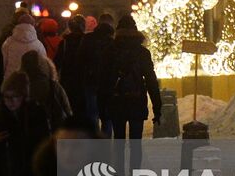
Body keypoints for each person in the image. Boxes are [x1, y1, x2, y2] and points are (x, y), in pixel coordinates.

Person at [100, 15, 162, 161]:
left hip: (116, 101)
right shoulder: (143, 53)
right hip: (136, 100)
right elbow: (151, 80)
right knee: (136, 145)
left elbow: (103, 80)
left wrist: (102, 107)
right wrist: (157, 107)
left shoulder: (110, 51)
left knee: (119, 144)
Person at [78, 17, 115, 133]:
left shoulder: (87, 39)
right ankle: (106, 144)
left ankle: (94, 142)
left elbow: (80, 59)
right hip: (108, 84)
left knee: (92, 113)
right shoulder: (112, 43)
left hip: (91, 81)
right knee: (107, 116)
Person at [21, 49, 71, 127]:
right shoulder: (53, 85)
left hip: (30, 129)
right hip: (53, 127)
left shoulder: (20, 86)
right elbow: (67, 108)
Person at [52, 16, 85, 111]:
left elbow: (57, 62)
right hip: (82, 81)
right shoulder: (86, 41)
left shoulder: (64, 43)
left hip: (67, 80)